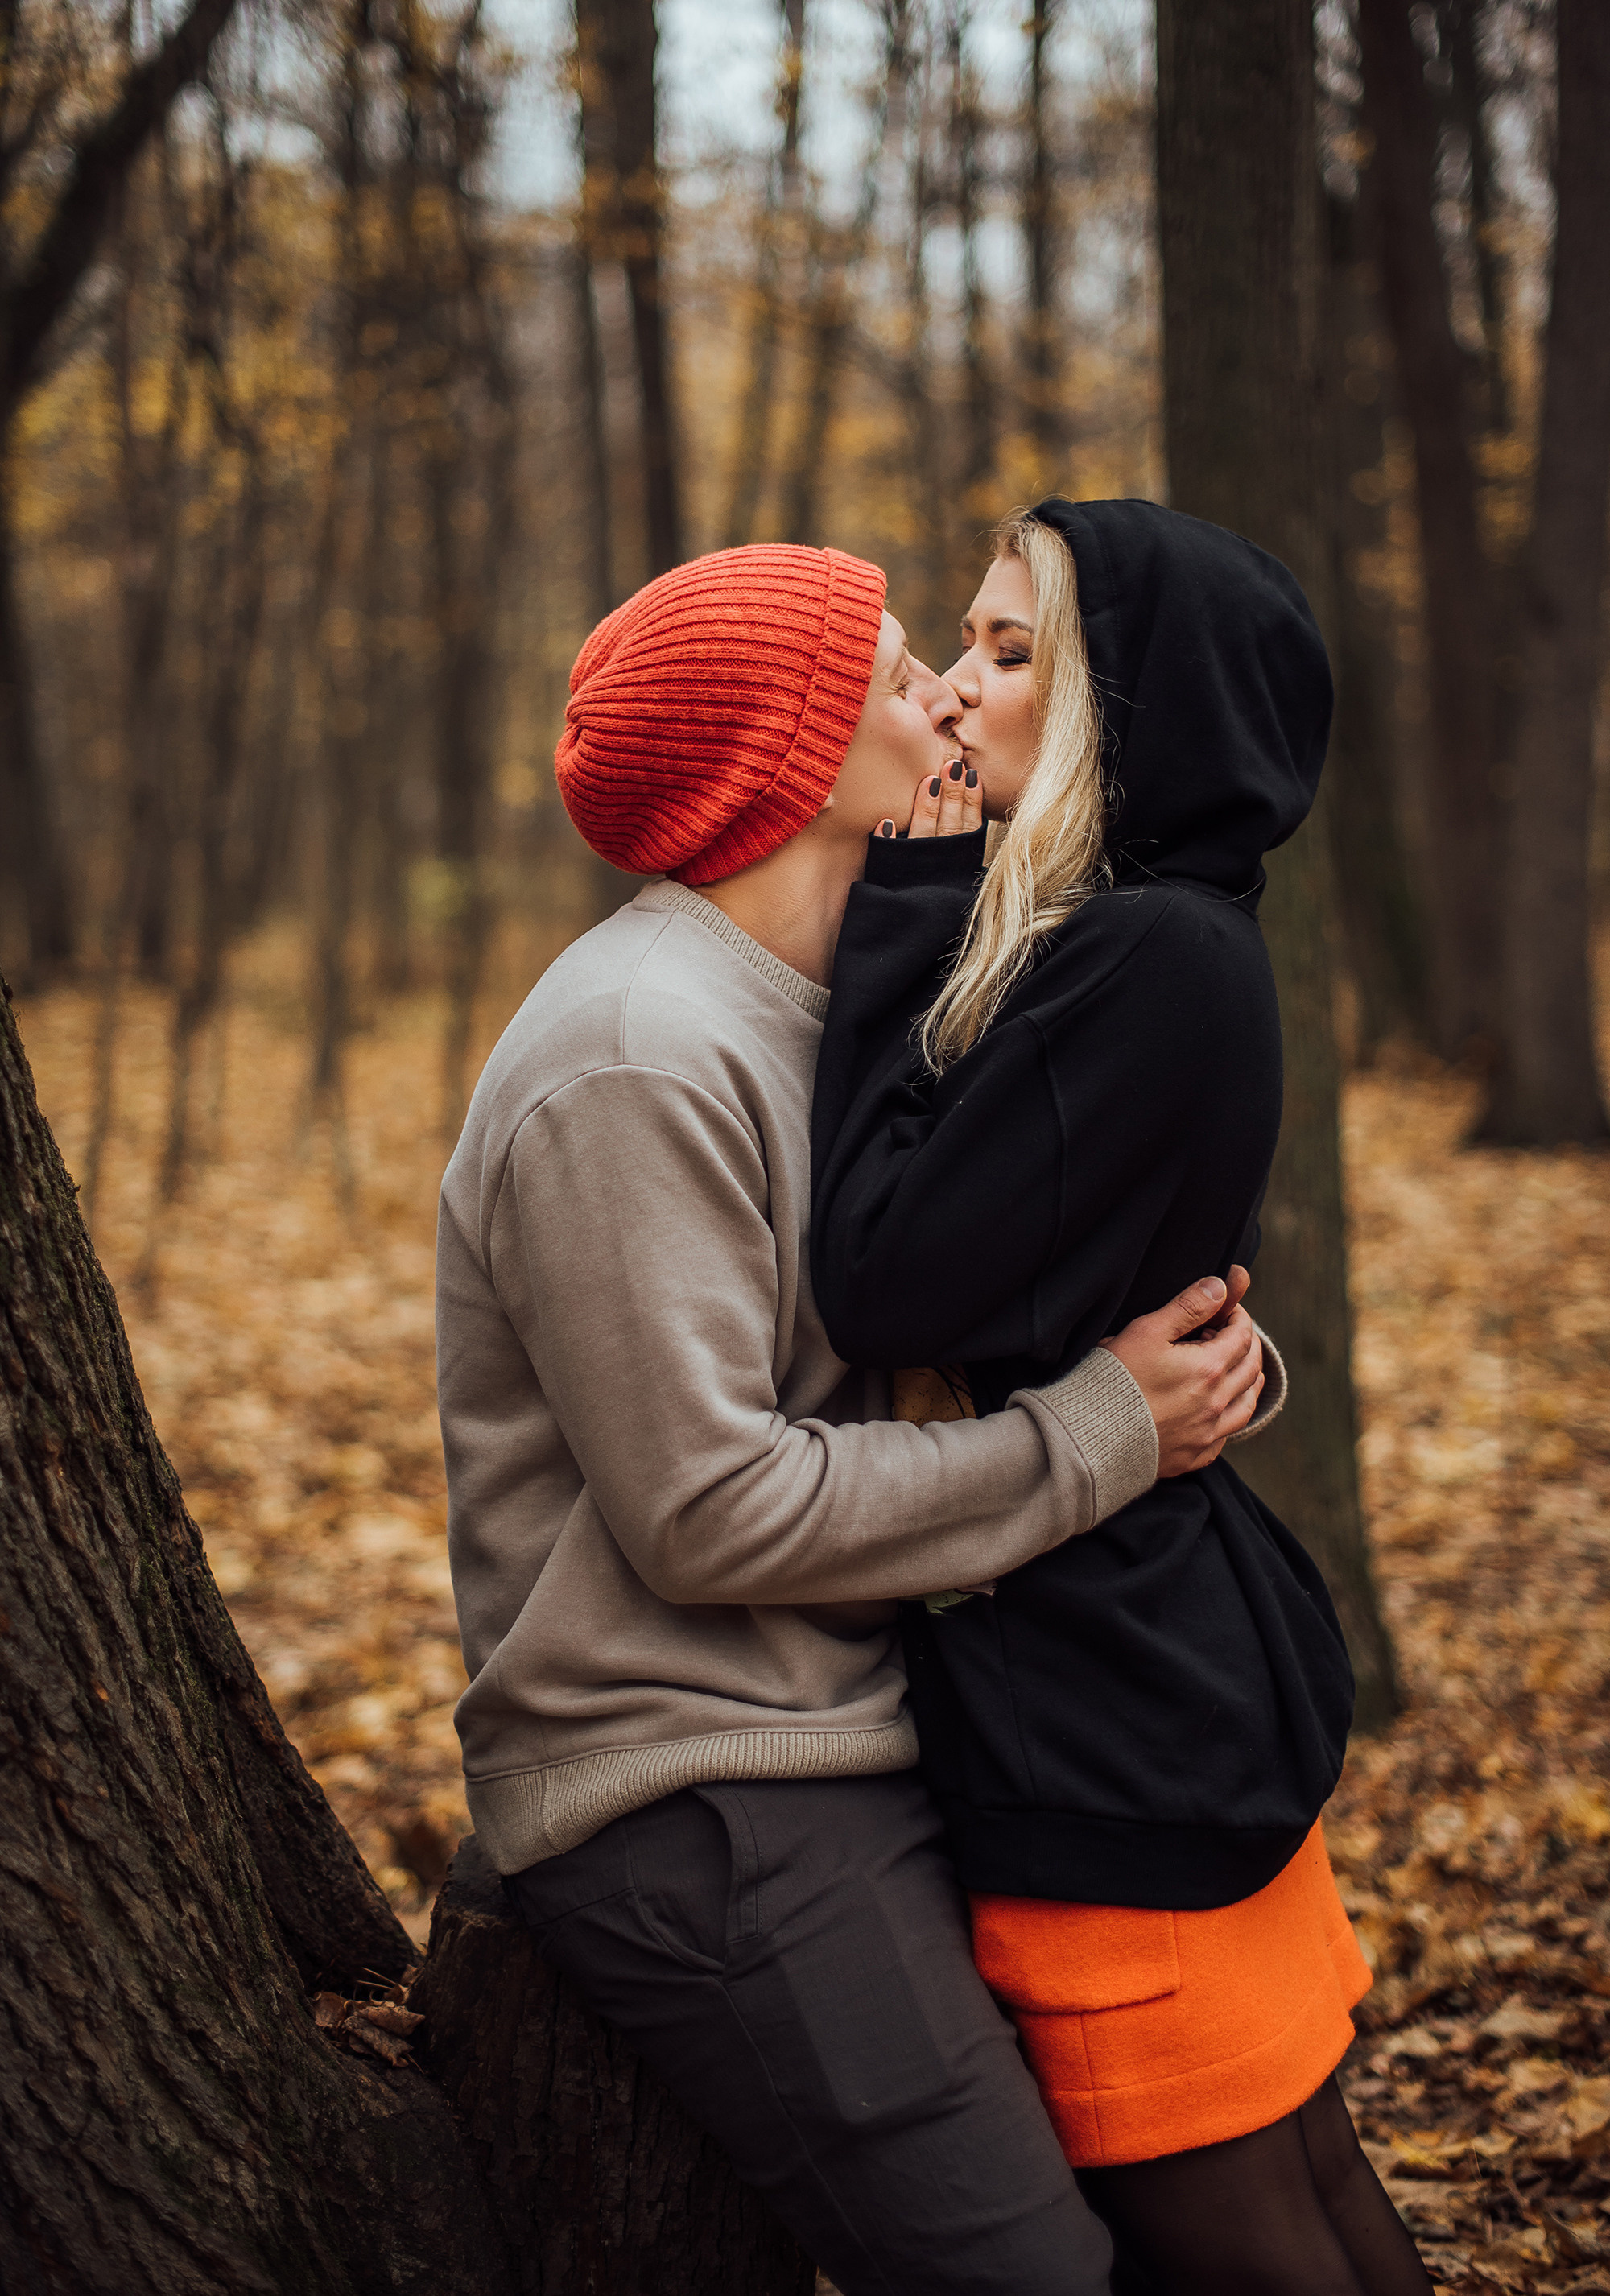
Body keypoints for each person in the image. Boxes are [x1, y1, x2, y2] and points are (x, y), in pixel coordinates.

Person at [436, 540, 1275, 2296]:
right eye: (900, 676)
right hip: (705, 1785)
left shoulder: (843, 1006)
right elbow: (707, 1511)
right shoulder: (633, 1053)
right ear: (793, 762)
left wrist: (1198, 1360)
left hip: (870, 1724)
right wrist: (1102, 1432)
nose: (947, 699)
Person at [809, 498, 1432, 2296]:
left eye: (1015, 653)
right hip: (1145, 1670)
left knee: (1245, 2239)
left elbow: (878, 1271)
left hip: (1109, 1714)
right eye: (968, 636)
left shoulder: (1143, 951)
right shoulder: (1145, 935)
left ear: (1125, 708)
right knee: (1306, 2197)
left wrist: (904, 911)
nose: (957, 681)